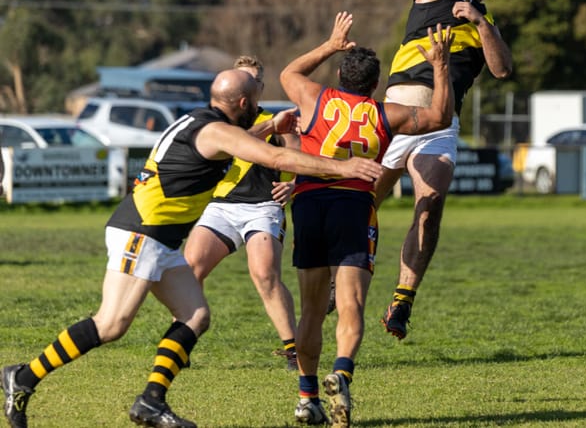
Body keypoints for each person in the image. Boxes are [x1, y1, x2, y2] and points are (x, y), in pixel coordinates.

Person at [1, 69, 382, 428]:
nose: (260, 105)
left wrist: (270, 126)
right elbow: (277, 157)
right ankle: (23, 377)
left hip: (160, 236)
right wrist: (344, 168)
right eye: (257, 100)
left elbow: (234, 145)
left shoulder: (201, 121)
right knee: (111, 323)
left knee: (195, 314)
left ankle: (152, 400)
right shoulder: (216, 130)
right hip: (143, 230)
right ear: (244, 104)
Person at [279, 11, 454, 426]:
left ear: (341, 74)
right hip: (353, 206)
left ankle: (307, 399)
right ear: (376, 85)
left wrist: (331, 42)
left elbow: (289, 71)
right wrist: (440, 65)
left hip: (307, 203)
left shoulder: (314, 97)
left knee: (311, 309)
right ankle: (340, 372)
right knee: (351, 303)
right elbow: (440, 117)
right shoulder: (386, 114)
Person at [372, 0, 513, 341]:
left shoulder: (484, 24)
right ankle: (336, 278)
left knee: (430, 206)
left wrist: (479, 21)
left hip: (439, 121)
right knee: (363, 201)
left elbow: (502, 70)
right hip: (396, 110)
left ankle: (401, 302)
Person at [183, 56, 300, 371]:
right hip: (220, 205)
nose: (248, 87)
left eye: (254, 81)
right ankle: (179, 345)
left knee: (264, 274)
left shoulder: (278, 120)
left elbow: (299, 156)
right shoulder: (216, 124)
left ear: (258, 89)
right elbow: (238, 145)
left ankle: (294, 349)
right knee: (189, 269)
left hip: (262, 207)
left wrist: (295, 185)